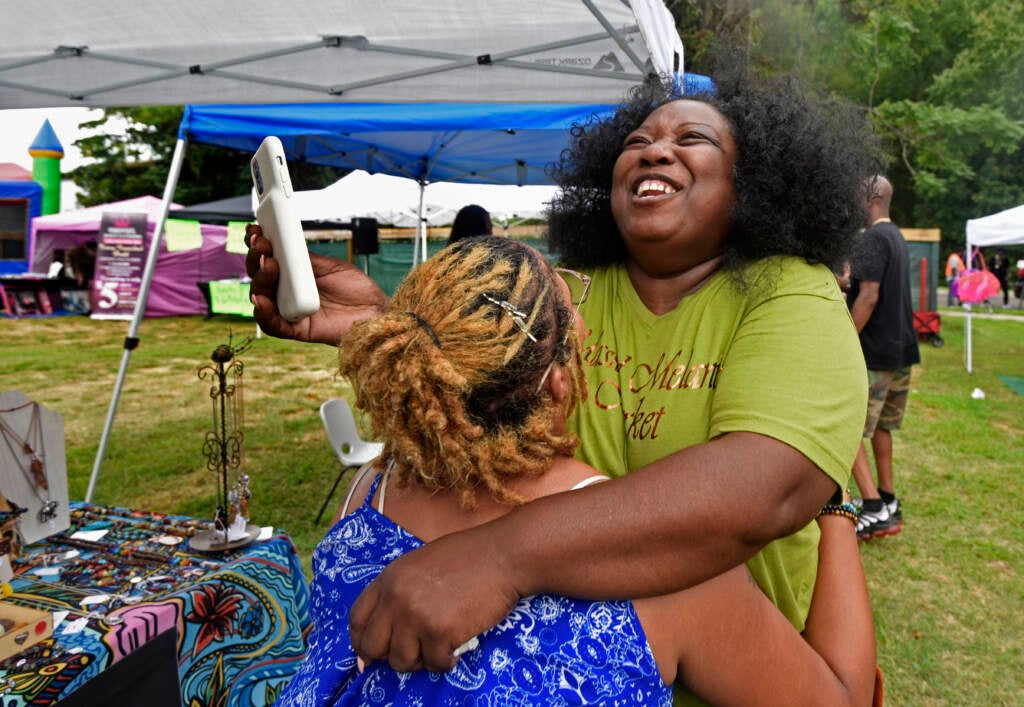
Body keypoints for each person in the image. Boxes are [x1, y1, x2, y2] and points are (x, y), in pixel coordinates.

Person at [246, 50, 881, 681]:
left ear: (754, 181)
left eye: (693, 139)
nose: (655, 151)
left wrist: (498, 557)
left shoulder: (789, 292)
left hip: (747, 669)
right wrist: (388, 329)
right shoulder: (569, 289)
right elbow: (492, 389)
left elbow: (761, 487)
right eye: (638, 141)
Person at [275, 235, 876, 706]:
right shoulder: (661, 568)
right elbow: (842, 699)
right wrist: (832, 499)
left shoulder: (373, 491)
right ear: (560, 378)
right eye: (574, 300)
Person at [846, 176, 920, 541]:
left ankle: (873, 508)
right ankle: (889, 498)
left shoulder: (872, 238)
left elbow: (869, 296)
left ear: (871, 198)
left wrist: (841, 340)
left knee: (850, 430)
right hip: (901, 351)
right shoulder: (897, 237)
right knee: (883, 428)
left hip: (874, 353)